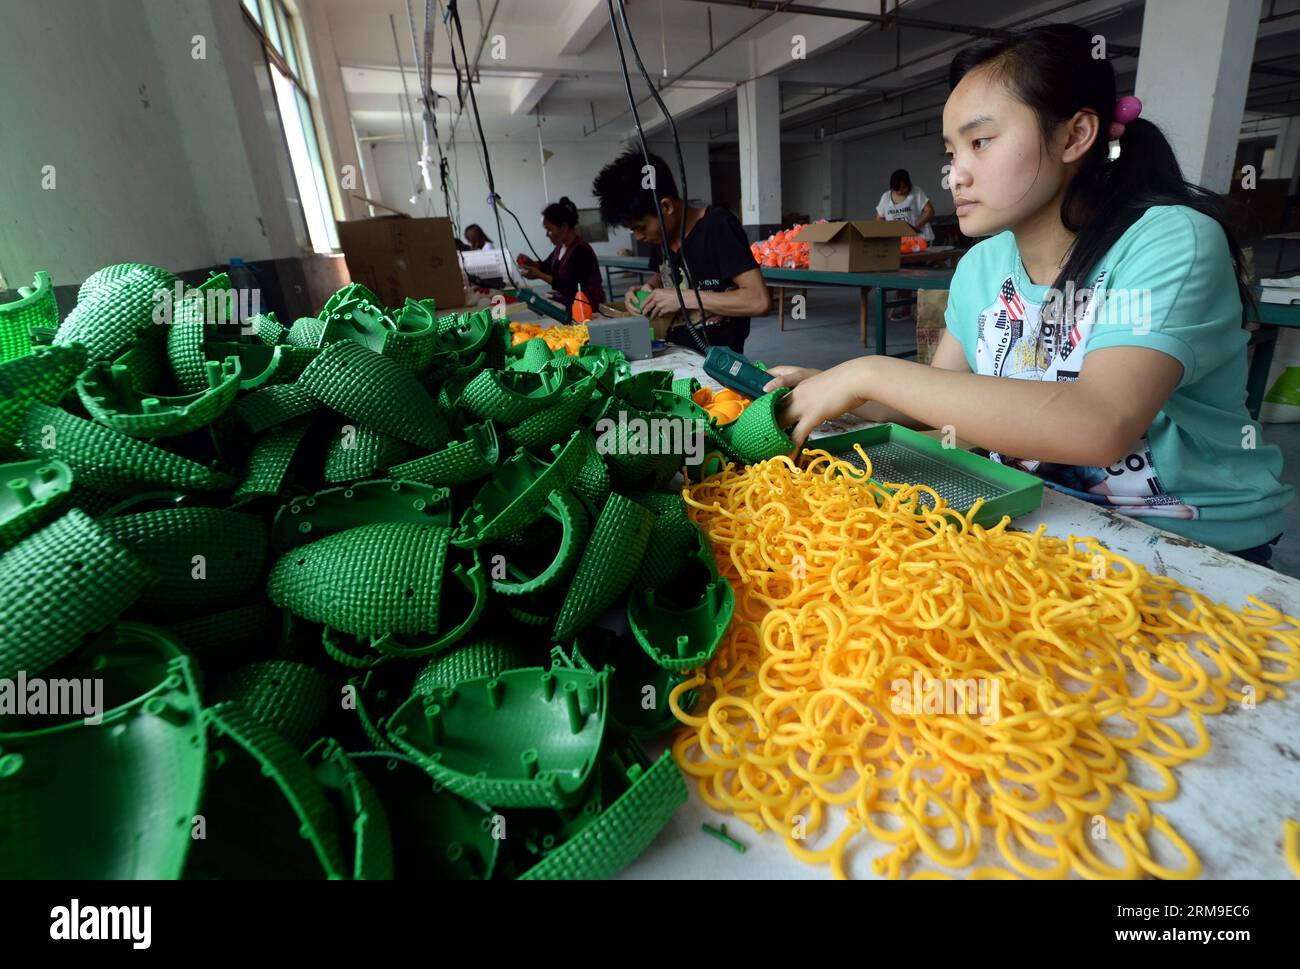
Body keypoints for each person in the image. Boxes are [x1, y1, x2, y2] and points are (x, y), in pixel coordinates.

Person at [763, 23, 1292, 566]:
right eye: (951, 151)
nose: (954, 174)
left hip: (1193, 547)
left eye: (980, 142)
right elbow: (940, 401)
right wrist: (833, 386)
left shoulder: (1167, 240)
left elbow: (1099, 423)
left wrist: (867, 372)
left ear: (1074, 136)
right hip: (1037, 515)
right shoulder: (983, 266)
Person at [592, 149, 769, 353]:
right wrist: (646, 291)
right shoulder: (661, 236)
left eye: (640, 227)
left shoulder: (717, 226)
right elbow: (662, 276)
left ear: (666, 207)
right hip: (672, 350)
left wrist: (681, 298)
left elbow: (758, 300)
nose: (639, 237)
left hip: (716, 361)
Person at [517, 197, 605, 309]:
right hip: (570, 304)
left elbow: (569, 286)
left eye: (549, 230)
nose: (547, 235)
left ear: (564, 227)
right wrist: (530, 263)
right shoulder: (560, 248)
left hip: (587, 309)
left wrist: (539, 274)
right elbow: (547, 266)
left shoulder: (581, 251)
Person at [876, 169, 935, 243]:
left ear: (908, 184)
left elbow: (929, 211)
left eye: (903, 188)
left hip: (918, 239)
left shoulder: (916, 192)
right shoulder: (886, 197)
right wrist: (889, 231)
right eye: (896, 189)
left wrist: (914, 228)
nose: (900, 191)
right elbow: (879, 218)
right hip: (896, 241)